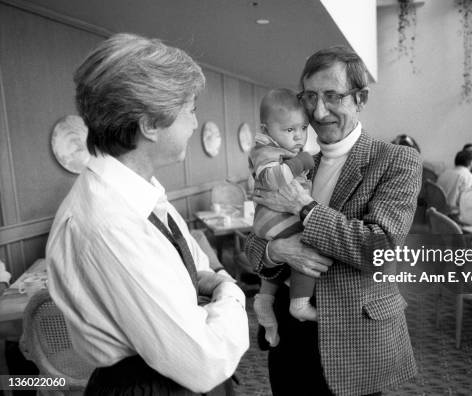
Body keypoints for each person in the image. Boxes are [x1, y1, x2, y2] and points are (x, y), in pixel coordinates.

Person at [45, 33, 248, 395]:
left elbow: (197, 268)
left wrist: (212, 286)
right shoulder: (110, 223)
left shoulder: (142, 195)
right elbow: (206, 359)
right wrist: (231, 291)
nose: (195, 124)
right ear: (150, 124)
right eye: (190, 110)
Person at [246, 46, 421, 396]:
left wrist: (307, 208)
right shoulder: (294, 163)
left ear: (360, 98)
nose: (319, 111)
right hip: (289, 334)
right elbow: (253, 246)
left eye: (332, 96)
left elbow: (380, 247)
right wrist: (277, 251)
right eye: (310, 97)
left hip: (353, 335)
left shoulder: (396, 160)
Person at [249, 88, 316, 347]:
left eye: (302, 128)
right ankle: (299, 304)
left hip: (272, 222)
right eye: (289, 130)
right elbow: (270, 178)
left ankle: (264, 301)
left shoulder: (278, 150)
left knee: (294, 251)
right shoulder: (266, 152)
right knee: (310, 244)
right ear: (266, 130)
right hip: (276, 220)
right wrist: (301, 162)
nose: (298, 136)